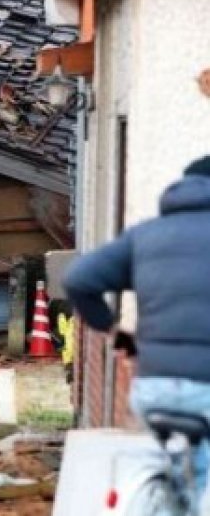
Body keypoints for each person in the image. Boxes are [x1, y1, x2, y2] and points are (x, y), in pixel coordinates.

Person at [63, 156, 210, 509]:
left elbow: (77, 279)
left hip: (152, 390)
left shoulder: (145, 236)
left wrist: (116, 333)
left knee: (183, 477)